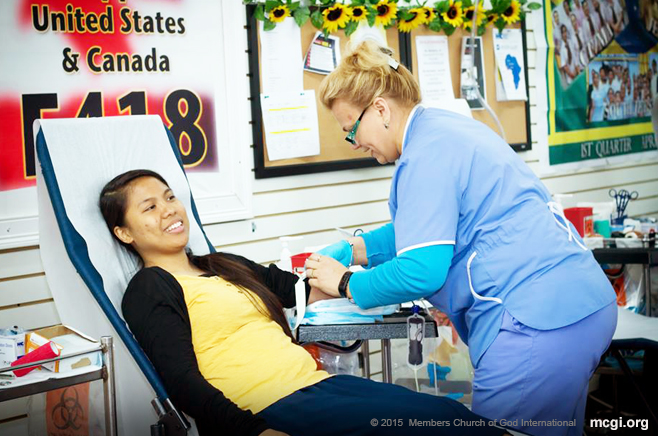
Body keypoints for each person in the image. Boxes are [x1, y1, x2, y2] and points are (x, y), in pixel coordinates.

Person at [308, 41, 617, 436]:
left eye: (351, 128)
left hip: (537, 323)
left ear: (381, 109)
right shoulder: (442, 130)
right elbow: (426, 228)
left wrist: (346, 282)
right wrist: (356, 249)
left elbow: (422, 270)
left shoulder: (425, 154)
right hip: (578, 306)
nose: (353, 143)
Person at [99, 169, 511, 436]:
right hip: (270, 407)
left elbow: (304, 288)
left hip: (320, 386)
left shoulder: (223, 264)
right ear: (124, 233)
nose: (170, 210)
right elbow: (182, 381)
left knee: (457, 420)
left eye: (170, 197)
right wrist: (254, 431)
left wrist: (351, 266)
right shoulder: (150, 287)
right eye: (150, 207)